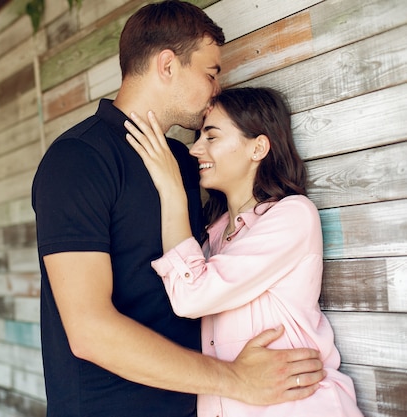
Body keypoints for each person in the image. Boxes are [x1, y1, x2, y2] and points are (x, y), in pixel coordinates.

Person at [32, 2, 324, 416]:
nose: (215, 89)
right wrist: (236, 378)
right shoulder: (79, 159)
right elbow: (89, 331)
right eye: (210, 73)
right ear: (167, 65)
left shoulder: (184, 164)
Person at [125, 86, 363, 416]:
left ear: (258, 147)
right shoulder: (213, 236)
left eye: (211, 137)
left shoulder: (292, 216)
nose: (195, 150)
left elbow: (191, 296)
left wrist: (171, 188)